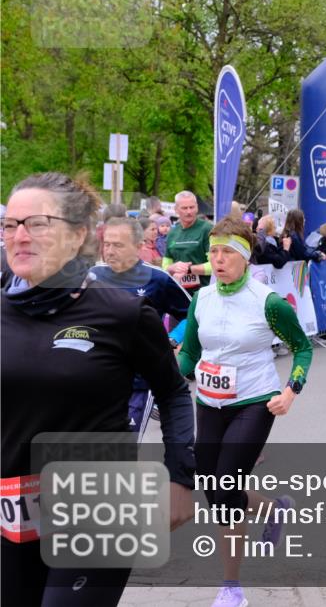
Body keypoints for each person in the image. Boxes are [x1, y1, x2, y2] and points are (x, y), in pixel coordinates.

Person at [2, 173, 195, 606]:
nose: (19, 236)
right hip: (13, 507)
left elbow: (174, 391)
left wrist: (182, 477)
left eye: (36, 223)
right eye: (11, 225)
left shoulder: (121, 311)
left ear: (78, 235)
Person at [177, 216, 313, 607]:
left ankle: (231, 586)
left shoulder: (267, 302)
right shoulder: (202, 298)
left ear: (245, 257)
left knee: (224, 481)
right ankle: (272, 506)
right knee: (214, 486)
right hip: (209, 401)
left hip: (255, 401)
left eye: (226, 252)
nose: (218, 260)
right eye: (213, 252)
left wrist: (291, 390)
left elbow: (302, 347)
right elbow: (190, 353)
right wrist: (170, 377)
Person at [93, 216, 192, 436]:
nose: (109, 251)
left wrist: (171, 340)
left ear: (138, 247)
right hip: (95, 379)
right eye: (107, 244)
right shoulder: (91, 276)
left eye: (118, 245)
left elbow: (193, 315)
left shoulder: (157, 279)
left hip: (137, 383)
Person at [163, 190, 213, 290]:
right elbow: (165, 265)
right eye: (184, 208)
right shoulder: (172, 233)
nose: (189, 211)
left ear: (197, 207)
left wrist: (189, 269)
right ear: (176, 210)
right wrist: (172, 268)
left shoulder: (207, 229)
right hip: (178, 291)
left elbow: (215, 265)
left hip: (202, 291)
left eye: (192, 207)